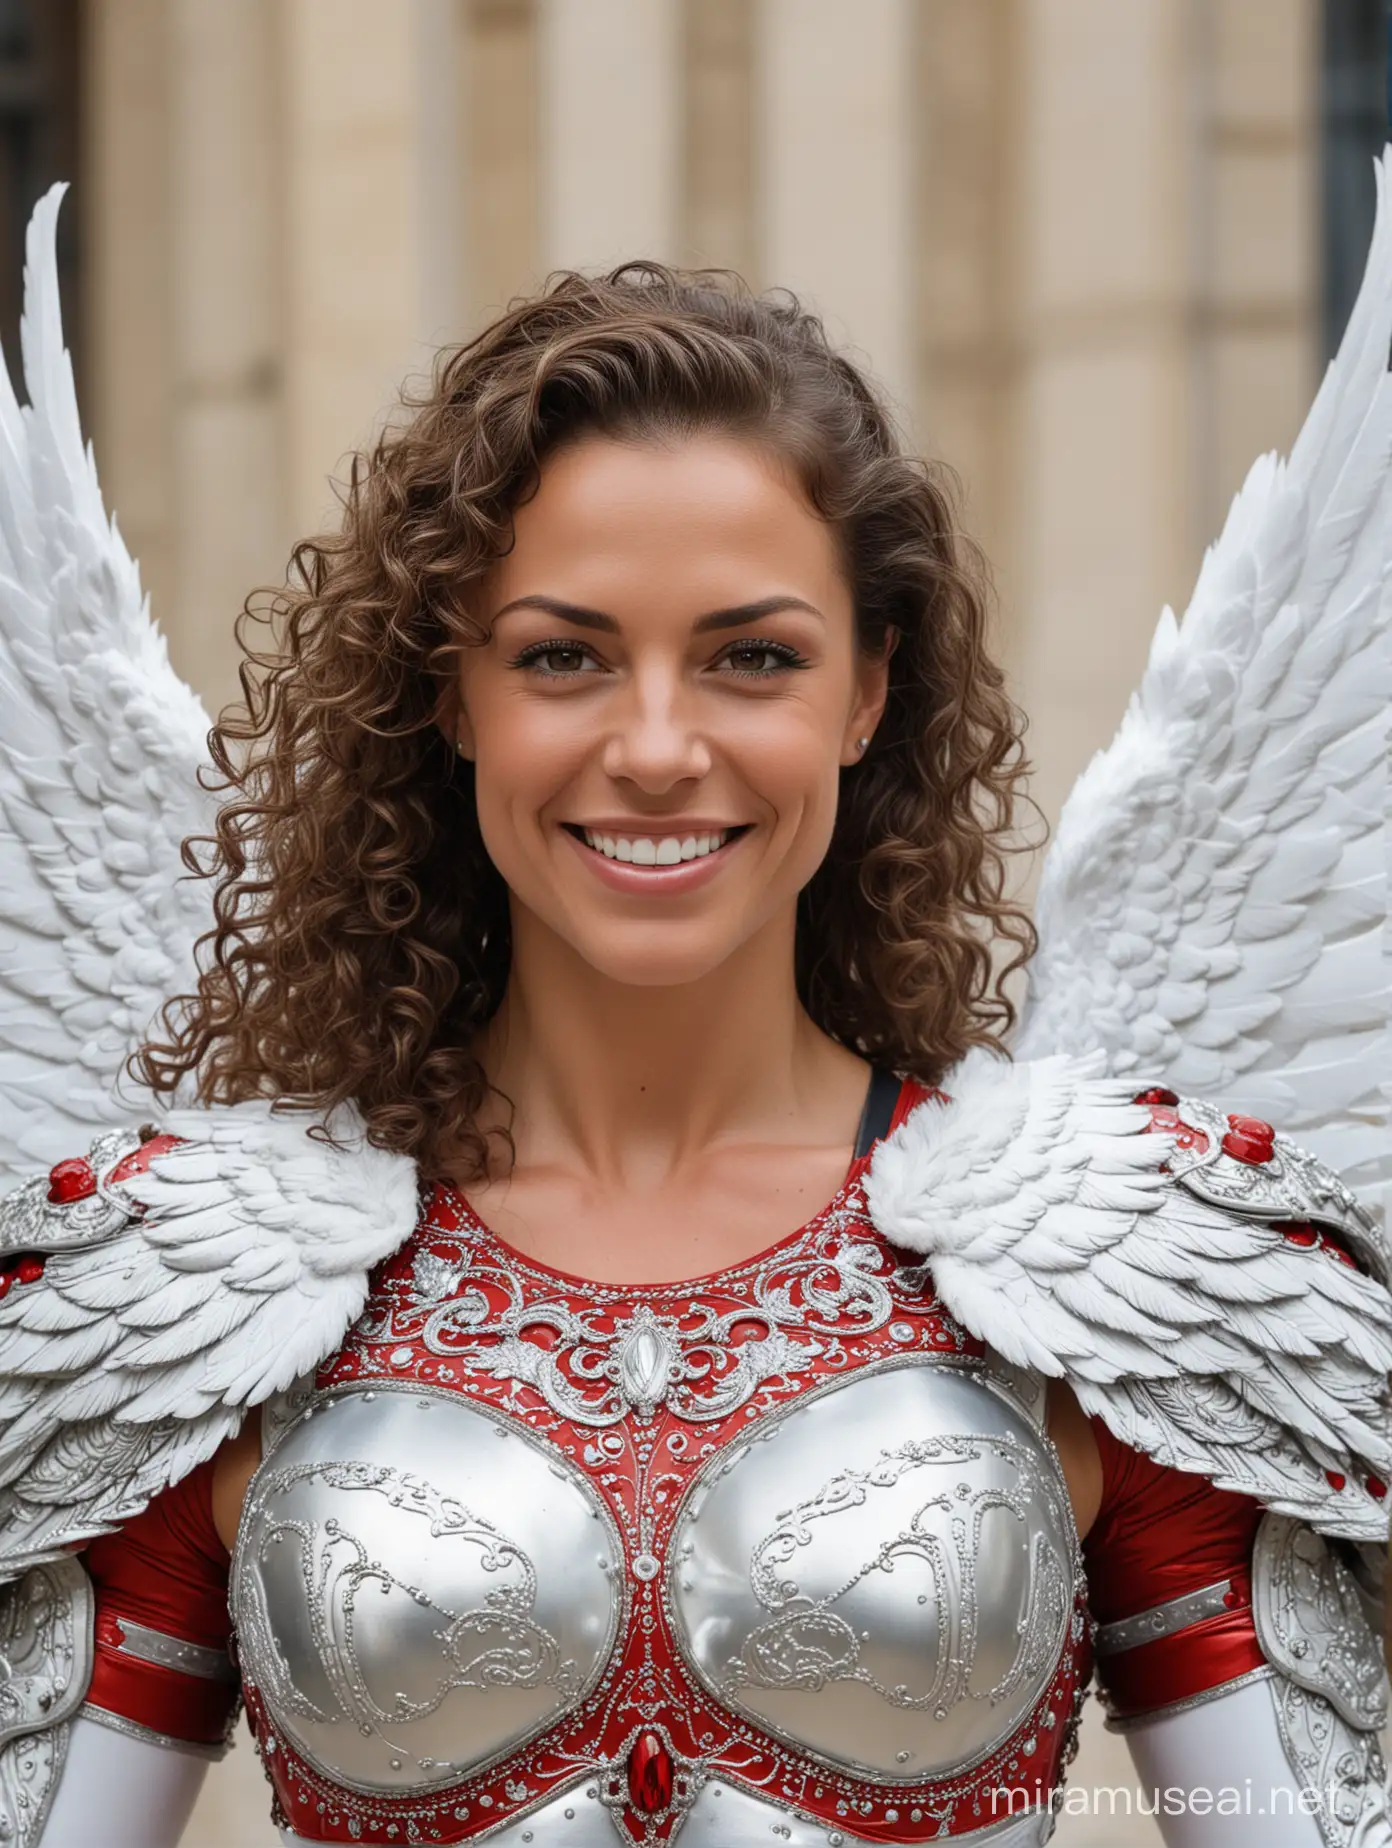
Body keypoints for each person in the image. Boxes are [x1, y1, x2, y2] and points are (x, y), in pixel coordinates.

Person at [0, 179, 1387, 1848]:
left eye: (751, 659)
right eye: (565, 659)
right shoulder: (204, 1303)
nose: (657, 747)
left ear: (871, 690)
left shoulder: (1106, 1280)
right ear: (449, 690)